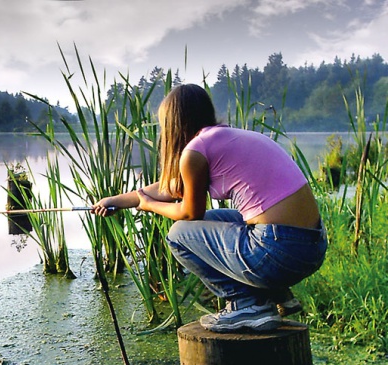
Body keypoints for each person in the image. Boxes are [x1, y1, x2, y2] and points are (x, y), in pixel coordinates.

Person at [92, 83, 327, 333]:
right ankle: (277, 294)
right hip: (311, 248)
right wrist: (115, 200)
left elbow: (190, 213)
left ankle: (246, 304)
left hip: (275, 252)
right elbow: (169, 186)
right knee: (219, 220)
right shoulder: (229, 138)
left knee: (179, 235)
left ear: (173, 122)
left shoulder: (195, 151)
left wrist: (149, 205)